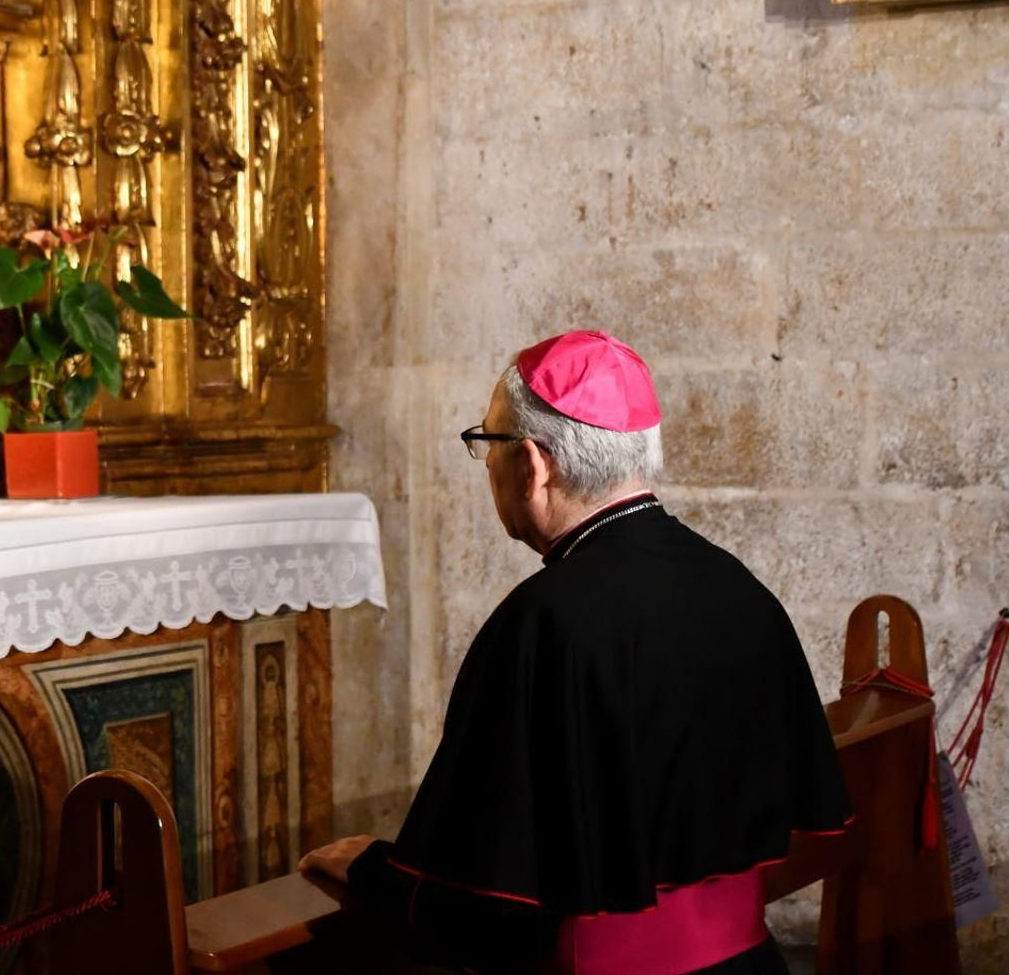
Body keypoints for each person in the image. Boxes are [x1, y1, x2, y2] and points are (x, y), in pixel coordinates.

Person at [299, 331, 850, 974]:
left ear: (534, 464)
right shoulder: (739, 588)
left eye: (488, 443)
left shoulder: (541, 623)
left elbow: (474, 915)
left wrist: (371, 870)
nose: (487, 465)